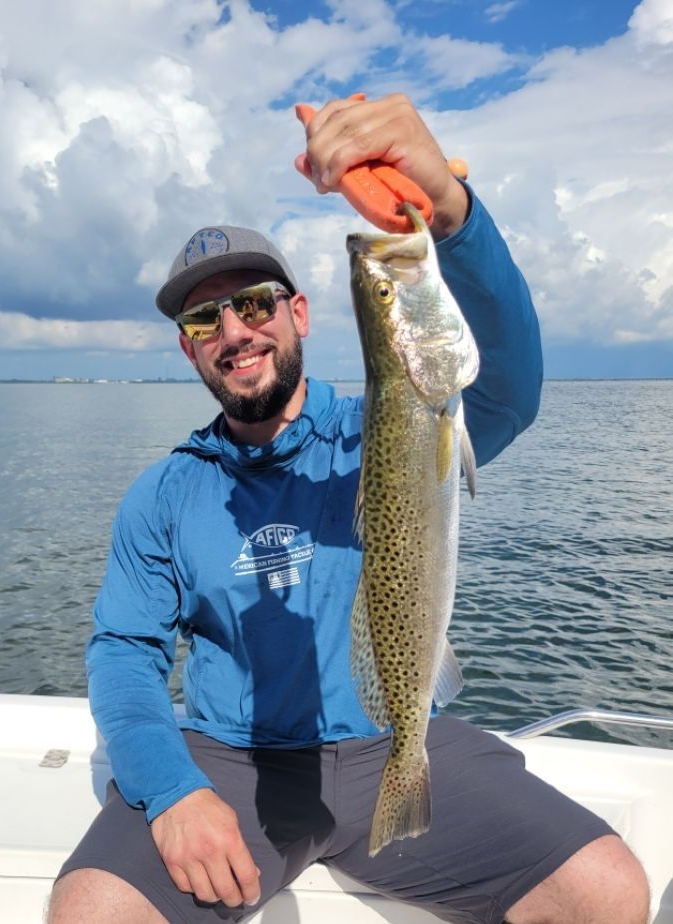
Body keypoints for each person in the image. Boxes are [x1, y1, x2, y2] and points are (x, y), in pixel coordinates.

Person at [48, 94, 649, 924]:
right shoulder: (164, 494)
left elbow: (510, 387)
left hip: (399, 740)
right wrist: (172, 787)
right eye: (204, 317)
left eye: (254, 303)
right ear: (189, 346)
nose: (234, 329)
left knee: (607, 889)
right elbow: (123, 654)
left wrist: (453, 216)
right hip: (233, 759)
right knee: (90, 910)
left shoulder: (389, 429)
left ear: (297, 313)